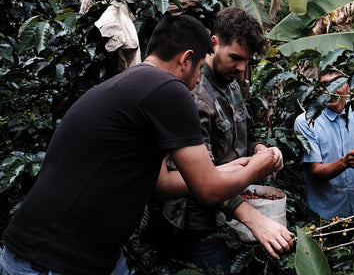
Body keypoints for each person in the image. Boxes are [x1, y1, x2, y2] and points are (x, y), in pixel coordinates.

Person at [0, 14, 283, 275]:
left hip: (79, 254)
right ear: (186, 59)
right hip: (52, 260)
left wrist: (227, 168)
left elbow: (160, 183)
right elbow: (207, 190)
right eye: (198, 68)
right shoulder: (169, 90)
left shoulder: (136, 83)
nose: (198, 81)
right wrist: (259, 166)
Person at [160, 7, 293, 274]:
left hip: (230, 217)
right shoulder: (194, 95)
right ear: (214, 42)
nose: (242, 67)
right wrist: (252, 218)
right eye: (235, 57)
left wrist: (260, 150)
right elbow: (203, 179)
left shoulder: (231, 82)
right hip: (198, 224)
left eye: (247, 60)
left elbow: (245, 133)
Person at [293, 68, 354, 221]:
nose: (331, 89)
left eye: (338, 83)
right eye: (325, 84)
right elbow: (315, 171)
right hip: (325, 219)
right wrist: (345, 162)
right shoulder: (306, 122)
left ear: (349, 87)